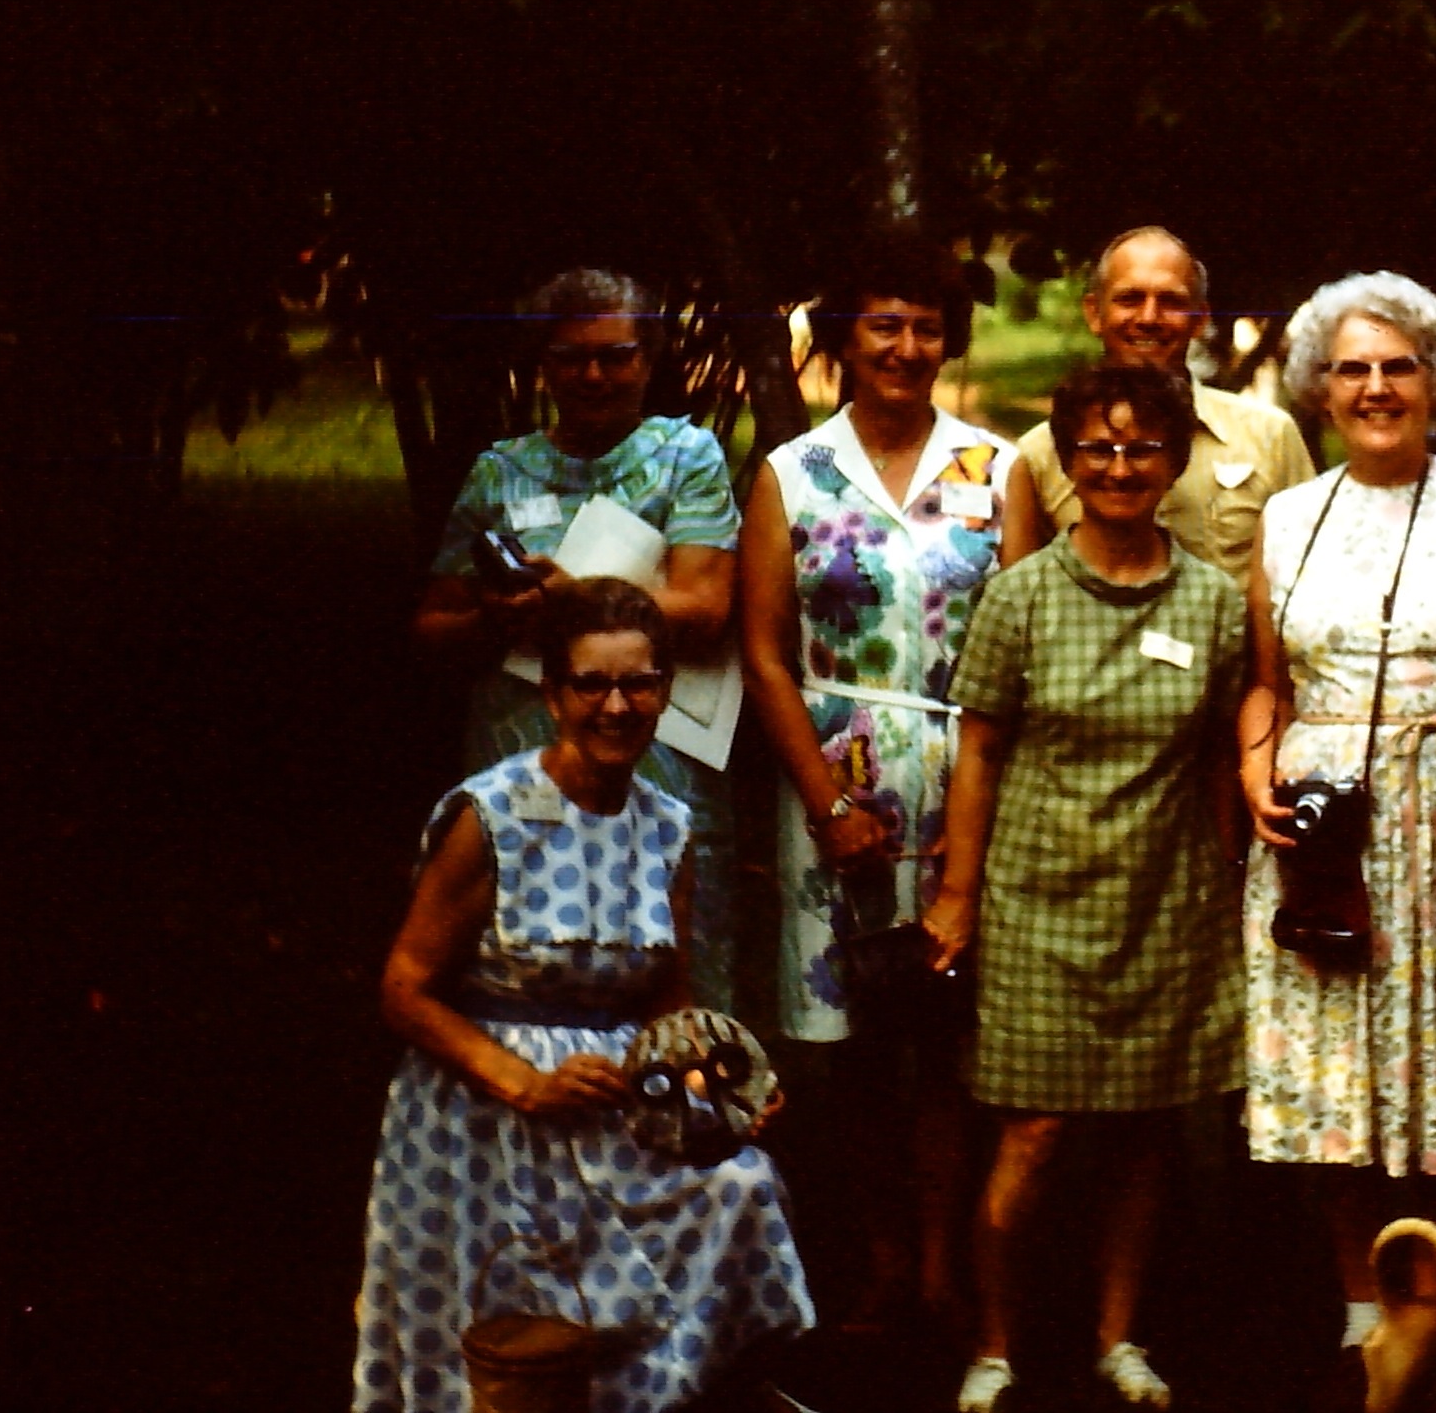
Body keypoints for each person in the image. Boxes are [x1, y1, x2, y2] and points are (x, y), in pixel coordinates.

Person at [354, 579, 812, 1413]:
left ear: (664, 691)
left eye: (638, 684)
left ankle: (676, 1392)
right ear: (554, 695)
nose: (616, 706)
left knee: (740, 1184)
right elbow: (404, 991)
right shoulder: (491, 816)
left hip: (613, 1106)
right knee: (509, 1345)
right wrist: (525, 1083)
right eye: (592, 685)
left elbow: (668, 1006)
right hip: (483, 1116)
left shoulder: (668, 826)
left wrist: (727, 1095)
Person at [924, 363, 1250, 1412]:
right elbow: (979, 751)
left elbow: (1218, 757)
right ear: (1066, 462)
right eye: (1097, 449)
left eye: (1142, 447)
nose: (1118, 467)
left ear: (1175, 461)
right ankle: (995, 1345)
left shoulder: (1212, 602)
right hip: (1037, 898)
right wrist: (958, 894)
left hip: (1164, 897)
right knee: (1035, 1132)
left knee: (1143, 1130)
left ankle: (1119, 1340)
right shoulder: (1020, 596)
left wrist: (1229, 883)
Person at [1238, 272, 1436, 1355]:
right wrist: (1255, 771)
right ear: (1322, 388)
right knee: (1338, 1067)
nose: (1376, 388)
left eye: (1398, 367)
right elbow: (1267, 683)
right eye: (1353, 370)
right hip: (1323, 836)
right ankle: (1363, 1318)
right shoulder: (1287, 517)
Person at [740, 229, 1038, 1330]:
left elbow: (1020, 647)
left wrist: (977, 827)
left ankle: (948, 1262)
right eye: (883, 325)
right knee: (858, 1048)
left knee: (951, 1040)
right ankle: (877, 1258)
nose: (905, 347)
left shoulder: (996, 469)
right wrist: (825, 805)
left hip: (969, 783)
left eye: (925, 327)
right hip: (838, 790)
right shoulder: (792, 473)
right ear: (844, 337)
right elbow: (765, 653)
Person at [413, 269, 745, 1012]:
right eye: (570, 357)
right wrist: (495, 617)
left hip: (658, 755)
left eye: (615, 355)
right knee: (520, 957)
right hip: (523, 751)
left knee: (673, 966)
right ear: (543, 363)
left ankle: (680, 1083)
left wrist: (574, 601)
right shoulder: (500, 472)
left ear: (649, 358)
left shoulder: (683, 456)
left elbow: (705, 607)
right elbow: (432, 625)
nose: (593, 375)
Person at [1010, 226, 1315, 586]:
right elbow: (1022, 593)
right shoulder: (1039, 454)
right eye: (1129, 299)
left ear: (1200, 319)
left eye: (1171, 302)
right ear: (1094, 313)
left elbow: (1311, 578)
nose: (1149, 318)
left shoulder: (1270, 437)